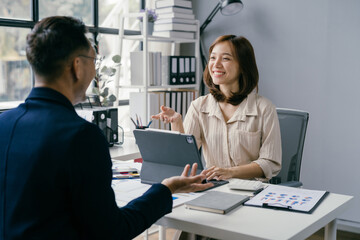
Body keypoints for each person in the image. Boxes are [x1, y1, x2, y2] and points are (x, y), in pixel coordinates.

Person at [0, 16, 212, 240]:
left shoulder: (4, 124)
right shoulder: (81, 136)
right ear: (77, 66)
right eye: (93, 60)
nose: (95, 73)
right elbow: (113, 232)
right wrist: (166, 189)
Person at [152, 35, 282, 182]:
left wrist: (230, 172)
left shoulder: (264, 109)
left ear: (243, 66)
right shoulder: (199, 106)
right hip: (213, 187)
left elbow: (270, 163)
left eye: (225, 58)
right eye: (213, 58)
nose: (216, 64)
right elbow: (183, 160)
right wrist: (176, 123)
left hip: (252, 192)